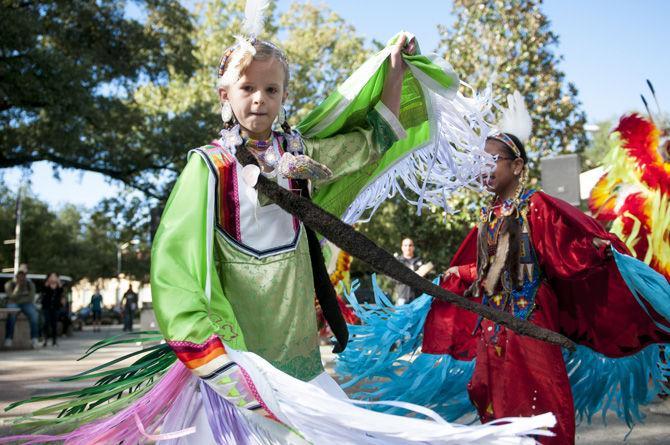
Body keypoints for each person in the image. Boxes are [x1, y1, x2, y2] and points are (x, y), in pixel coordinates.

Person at [1, 7, 555, 442]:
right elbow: (175, 276)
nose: (260, 100)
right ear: (224, 96)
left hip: (299, 367)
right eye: (247, 89)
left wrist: (393, 70)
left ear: (285, 95)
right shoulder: (208, 169)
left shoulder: (300, 158)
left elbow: (373, 138)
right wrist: (220, 361)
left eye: (272, 89)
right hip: (235, 374)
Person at [338, 92, 670, 445]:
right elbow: (487, 270)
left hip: (530, 325)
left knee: (544, 408)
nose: (485, 168)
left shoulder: (536, 206)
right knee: (490, 399)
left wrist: (594, 250)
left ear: (517, 166)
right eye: (481, 161)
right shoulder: (487, 218)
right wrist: (459, 275)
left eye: (493, 159)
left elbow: (565, 253)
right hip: (493, 331)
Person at [3, 270, 39, 348]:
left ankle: (34, 338)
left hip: (26, 304)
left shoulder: (30, 284)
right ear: (16, 277)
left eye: (23, 277)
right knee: (12, 314)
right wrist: (18, 287)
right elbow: (11, 297)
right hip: (13, 303)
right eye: (19, 277)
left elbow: (30, 298)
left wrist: (18, 299)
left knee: (34, 315)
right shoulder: (9, 284)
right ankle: (8, 339)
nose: (21, 279)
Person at [393, 237, 432, 304]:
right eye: (405, 245)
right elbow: (393, 278)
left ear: (413, 247)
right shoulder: (398, 261)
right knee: (402, 314)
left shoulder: (419, 260)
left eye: (410, 245)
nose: (408, 247)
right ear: (402, 247)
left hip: (418, 298)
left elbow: (427, 278)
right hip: (403, 297)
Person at [41, 272, 63, 347]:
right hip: (46, 307)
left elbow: (61, 291)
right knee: (46, 323)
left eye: (55, 276)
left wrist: (58, 281)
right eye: (52, 276)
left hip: (56, 307)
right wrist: (48, 281)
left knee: (54, 324)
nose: (53, 278)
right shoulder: (46, 284)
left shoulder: (58, 286)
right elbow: (43, 289)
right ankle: (45, 340)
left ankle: (54, 341)